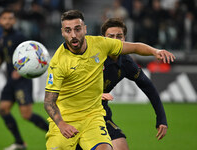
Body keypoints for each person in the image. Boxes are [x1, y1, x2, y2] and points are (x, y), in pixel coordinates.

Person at [44, 10, 175, 150]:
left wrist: (155, 51)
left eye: (77, 29)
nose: (73, 35)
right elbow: (49, 101)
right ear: (62, 32)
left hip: (93, 116)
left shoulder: (102, 46)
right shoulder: (58, 62)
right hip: (67, 118)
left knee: (113, 147)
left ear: (85, 29)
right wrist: (62, 124)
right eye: (68, 31)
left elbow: (136, 50)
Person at [0, 9, 48, 150]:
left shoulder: (20, 37)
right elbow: (2, 57)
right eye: (4, 18)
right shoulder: (1, 38)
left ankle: (56, 134)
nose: (7, 21)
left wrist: (20, 71)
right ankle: (19, 143)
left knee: (26, 115)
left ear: (14, 21)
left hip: (22, 81)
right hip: (10, 82)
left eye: (10, 18)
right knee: (3, 110)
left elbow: (33, 55)